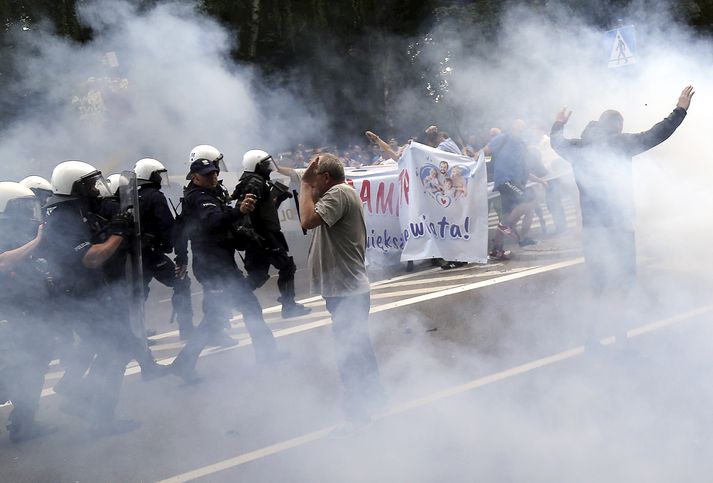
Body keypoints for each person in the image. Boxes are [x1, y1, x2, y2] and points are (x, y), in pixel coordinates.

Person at [550, 85, 694, 294]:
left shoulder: (577, 147)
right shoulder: (620, 143)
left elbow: (556, 143)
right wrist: (680, 110)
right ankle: (625, 306)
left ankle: (599, 306)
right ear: (617, 126)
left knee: (597, 273)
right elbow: (656, 134)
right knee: (625, 275)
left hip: (591, 223)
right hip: (619, 221)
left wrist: (558, 124)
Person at [170, 146, 286, 383]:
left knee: (219, 316)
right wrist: (238, 211)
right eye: (207, 174)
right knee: (246, 308)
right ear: (195, 177)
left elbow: (181, 229)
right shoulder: (199, 198)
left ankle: (183, 364)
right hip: (215, 268)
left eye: (214, 173)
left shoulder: (204, 194)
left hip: (219, 264)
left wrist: (182, 257)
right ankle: (266, 353)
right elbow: (213, 221)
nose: (213, 177)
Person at [40, 160, 140, 436]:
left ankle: (80, 395)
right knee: (114, 351)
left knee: (112, 349)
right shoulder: (62, 222)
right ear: (75, 188)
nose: (96, 190)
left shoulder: (80, 213)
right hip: (81, 298)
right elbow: (91, 258)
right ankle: (100, 417)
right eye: (90, 185)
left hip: (94, 295)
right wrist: (118, 234)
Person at [298, 153, 383, 428]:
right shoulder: (340, 193)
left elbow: (307, 220)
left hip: (347, 292)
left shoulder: (338, 193)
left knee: (348, 355)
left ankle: (357, 417)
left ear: (326, 178)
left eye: (315, 179)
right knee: (358, 348)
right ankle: (373, 398)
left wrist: (303, 185)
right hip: (346, 290)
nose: (312, 184)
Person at [0, 182, 57, 443]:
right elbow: (3, 261)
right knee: (17, 370)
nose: (28, 211)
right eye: (21, 206)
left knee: (34, 365)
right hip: (11, 316)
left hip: (29, 313)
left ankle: (24, 423)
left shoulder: (17, 229)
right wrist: (36, 242)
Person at [232, 149, 311, 318]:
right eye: (265, 164)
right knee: (287, 266)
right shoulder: (254, 182)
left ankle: (231, 300)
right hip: (263, 236)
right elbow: (245, 211)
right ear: (256, 166)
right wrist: (254, 236)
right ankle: (288, 307)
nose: (269, 168)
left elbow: (260, 211)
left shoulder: (256, 180)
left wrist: (278, 199)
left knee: (258, 275)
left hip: (262, 235)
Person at [134, 158, 194, 340]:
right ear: (151, 175)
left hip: (138, 255)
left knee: (138, 295)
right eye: (158, 174)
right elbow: (166, 224)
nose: (161, 178)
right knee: (182, 283)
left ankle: (136, 335)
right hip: (153, 255)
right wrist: (172, 246)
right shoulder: (155, 196)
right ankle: (187, 330)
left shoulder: (134, 196)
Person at [483, 119, 546, 260]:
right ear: (512, 127)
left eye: (523, 127)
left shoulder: (522, 145)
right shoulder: (503, 138)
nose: (521, 129)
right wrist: (471, 160)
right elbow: (484, 152)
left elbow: (524, 170)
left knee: (508, 214)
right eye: (519, 126)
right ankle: (507, 226)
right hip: (505, 181)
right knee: (530, 199)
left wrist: (539, 180)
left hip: (515, 182)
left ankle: (496, 249)